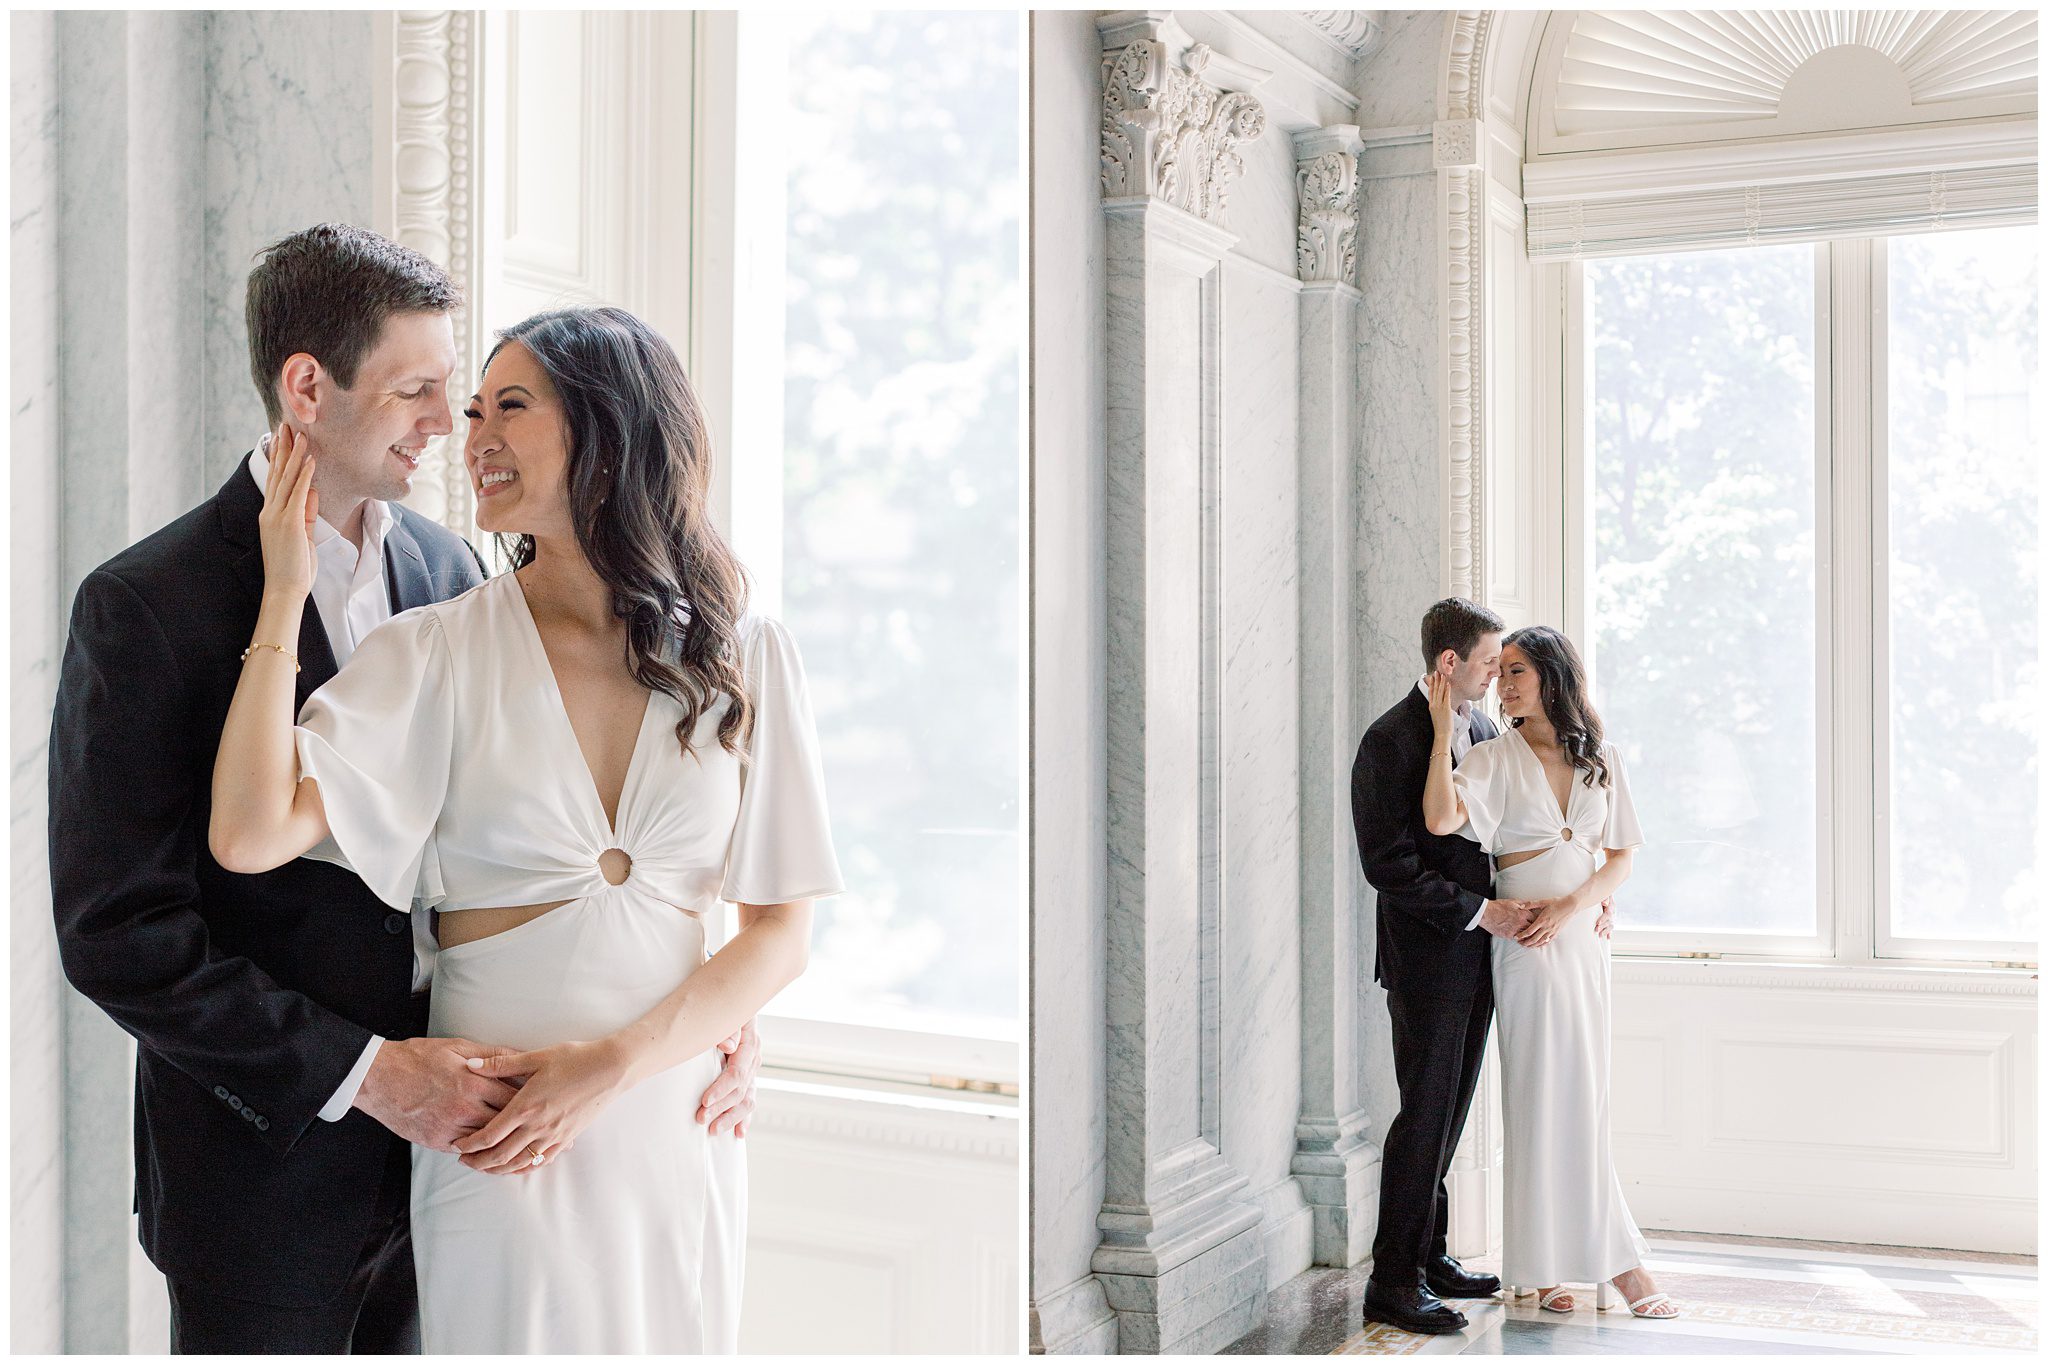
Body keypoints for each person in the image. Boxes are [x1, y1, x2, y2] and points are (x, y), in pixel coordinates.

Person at [48, 223, 760, 1353]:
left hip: (480, 1144)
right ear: (307, 387)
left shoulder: (457, 567)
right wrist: (367, 1075)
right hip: (268, 1178)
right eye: (423, 390)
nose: (449, 423)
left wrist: (707, 1014)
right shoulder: (147, 601)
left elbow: (562, 834)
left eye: (470, 397)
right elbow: (117, 934)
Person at [209, 302, 843, 1352]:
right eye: (470, 409)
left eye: (511, 405)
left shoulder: (744, 648)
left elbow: (779, 929)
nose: (475, 436)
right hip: (498, 1126)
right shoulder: (439, 651)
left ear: (608, 423)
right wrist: (281, 600)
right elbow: (247, 833)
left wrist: (611, 1065)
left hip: (668, 1115)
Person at [1423, 624, 1678, 1320]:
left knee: (1586, 1099)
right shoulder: (1493, 757)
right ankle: (1540, 1265)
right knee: (1539, 1096)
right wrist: (1446, 726)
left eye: (1517, 671)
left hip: (1580, 938)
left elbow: (1620, 856)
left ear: (1553, 676)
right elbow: (1441, 818)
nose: (1504, 684)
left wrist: (1578, 903)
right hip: (1528, 943)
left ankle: (1607, 1262)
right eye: (1499, 671)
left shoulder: (1602, 758)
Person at [1350, 598, 1523, 1335]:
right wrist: (1482, 912)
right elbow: (1387, 867)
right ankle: (1392, 1281)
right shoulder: (1387, 740)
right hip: (1426, 959)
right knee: (1422, 1115)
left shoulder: (1482, 726)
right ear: (1449, 663)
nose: (1496, 673)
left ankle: (1431, 1255)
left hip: (1480, 956)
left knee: (1450, 1112)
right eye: (1488, 661)